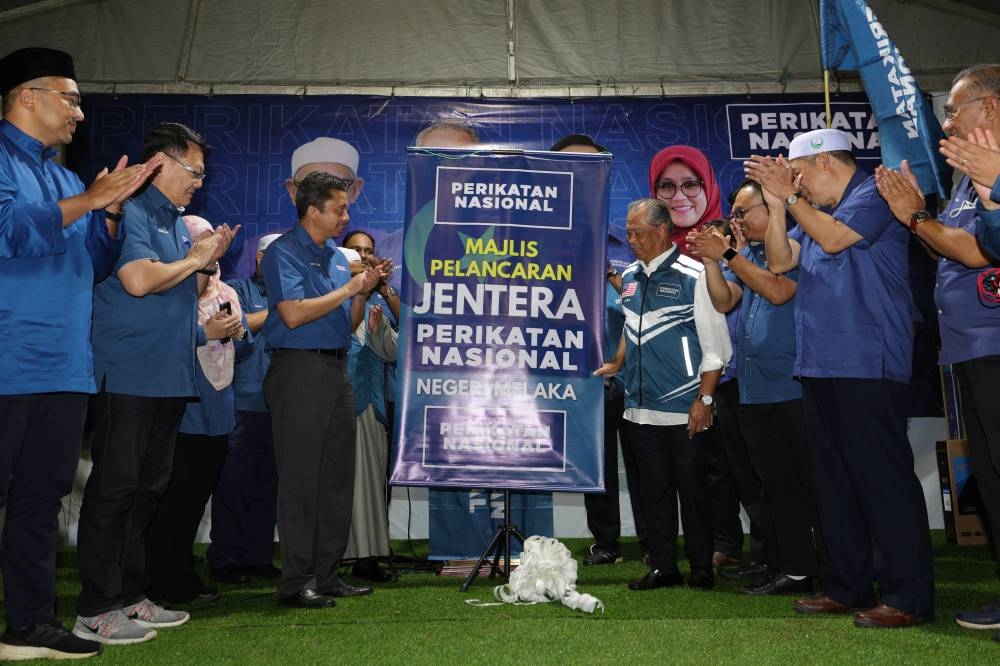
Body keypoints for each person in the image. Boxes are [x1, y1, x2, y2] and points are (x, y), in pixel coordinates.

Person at [0, 46, 158, 662]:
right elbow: (9, 231)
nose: (78, 112)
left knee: (42, 498)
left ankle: (28, 625)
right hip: (9, 356)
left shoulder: (67, 177)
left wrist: (109, 210)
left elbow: (93, 262)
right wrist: (91, 202)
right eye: (68, 97)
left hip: (64, 362)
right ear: (27, 97)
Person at [746, 128, 934, 628]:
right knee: (834, 485)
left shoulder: (875, 191)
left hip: (867, 360)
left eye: (802, 176)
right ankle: (846, 586)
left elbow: (831, 241)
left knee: (882, 481)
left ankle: (908, 595)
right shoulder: (814, 208)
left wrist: (788, 195)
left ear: (826, 161)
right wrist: (777, 202)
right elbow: (783, 262)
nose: (800, 186)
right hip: (819, 364)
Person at [76, 122, 238, 645]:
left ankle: (130, 593)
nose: (199, 182)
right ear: (161, 163)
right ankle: (96, 606)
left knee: (149, 490)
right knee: (116, 490)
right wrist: (196, 258)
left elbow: (179, 288)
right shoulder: (134, 211)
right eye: (194, 171)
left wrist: (203, 260)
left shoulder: (174, 220)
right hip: (128, 374)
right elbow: (138, 280)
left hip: (170, 375)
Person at [875, 63, 1000, 635]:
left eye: (954, 109)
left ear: (990, 108)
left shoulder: (990, 172)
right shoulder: (967, 176)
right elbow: (949, 248)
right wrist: (922, 222)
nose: (947, 121)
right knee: (990, 476)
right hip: (967, 347)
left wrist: (915, 217)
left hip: (992, 344)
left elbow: (976, 252)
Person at [688, 181, 821, 596]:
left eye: (745, 212)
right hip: (755, 391)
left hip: (793, 388)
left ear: (773, 207)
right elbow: (725, 301)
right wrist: (713, 261)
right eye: (736, 215)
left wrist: (728, 252)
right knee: (774, 485)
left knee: (809, 484)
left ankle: (832, 566)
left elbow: (779, 291)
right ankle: (789, 566)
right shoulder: (755, 255)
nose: (738, 221)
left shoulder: (795, 245)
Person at [262, 171, 385, 609]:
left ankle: (327, 574)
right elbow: (293, 316)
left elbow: (347, 324)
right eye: (338, 209)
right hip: (298, 371)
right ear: (312, 211)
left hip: (336, 370)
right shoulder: (282, 253)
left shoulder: (336, 256)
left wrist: (360, 293)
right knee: (301, 480)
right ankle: (296, 582)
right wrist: (350, 287)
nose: (345, 216)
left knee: (336, 479)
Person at [595, 198, 731, 592]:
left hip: (684, 405)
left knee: (693, 490)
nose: (631, 240)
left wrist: (704, 400)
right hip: (639, 408)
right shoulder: (633, 276)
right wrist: (618, 363)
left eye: (637, 233)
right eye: (629, 232)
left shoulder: (694, 274)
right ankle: (664, 566)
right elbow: (633, 328)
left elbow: (716, 345)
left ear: (660, 231)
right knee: (652, 492)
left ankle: (702, 567)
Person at [550, 134, 647, 566]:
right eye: (571, 168)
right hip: (579, 378)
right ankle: (605, 542)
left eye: (592, 166)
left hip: (641, 377)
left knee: (649, 468)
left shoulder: (631, 239)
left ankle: (654, 542)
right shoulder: (540, 242)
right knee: (597, 468)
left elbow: (649, 304)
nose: (582, 177)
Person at [145, 215, 249, 605]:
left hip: (218, 410)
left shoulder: (227, 290)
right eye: (202, 241)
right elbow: (164, 332)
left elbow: (248, 343)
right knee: (170, 500)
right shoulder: (173, 285)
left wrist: (237, 329)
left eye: (213, 241)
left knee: (194, 502)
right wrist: (207, 332)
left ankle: (183, 572)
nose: (211, 247)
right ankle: (160, 577)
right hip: (183, 407)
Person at [206, 233, 283, 585]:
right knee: (233, 485)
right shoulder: (235, 289)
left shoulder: (295, 295)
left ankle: (258, 556)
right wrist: (277, 313)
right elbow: (236, 328)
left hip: (280, 405)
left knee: (267, 486)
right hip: (241, 401)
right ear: (260, 259)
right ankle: (225, 557)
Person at [341, 229, 399, 583]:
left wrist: (378, 327)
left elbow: (395, 350)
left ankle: (368, 559)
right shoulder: (329, 293)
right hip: (334, 404)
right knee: (338, 484)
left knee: (372, 484)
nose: (364, 256)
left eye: (369, 250)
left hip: (370, 405)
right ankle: (332, 556)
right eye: (356, 250)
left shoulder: (378, 302)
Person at [647, 145, 723, 257]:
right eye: (667, 186)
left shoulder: (735, 242)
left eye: (690, 184)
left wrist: (728, 256)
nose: (679, 197)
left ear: (709, 188)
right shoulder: (641, 246)